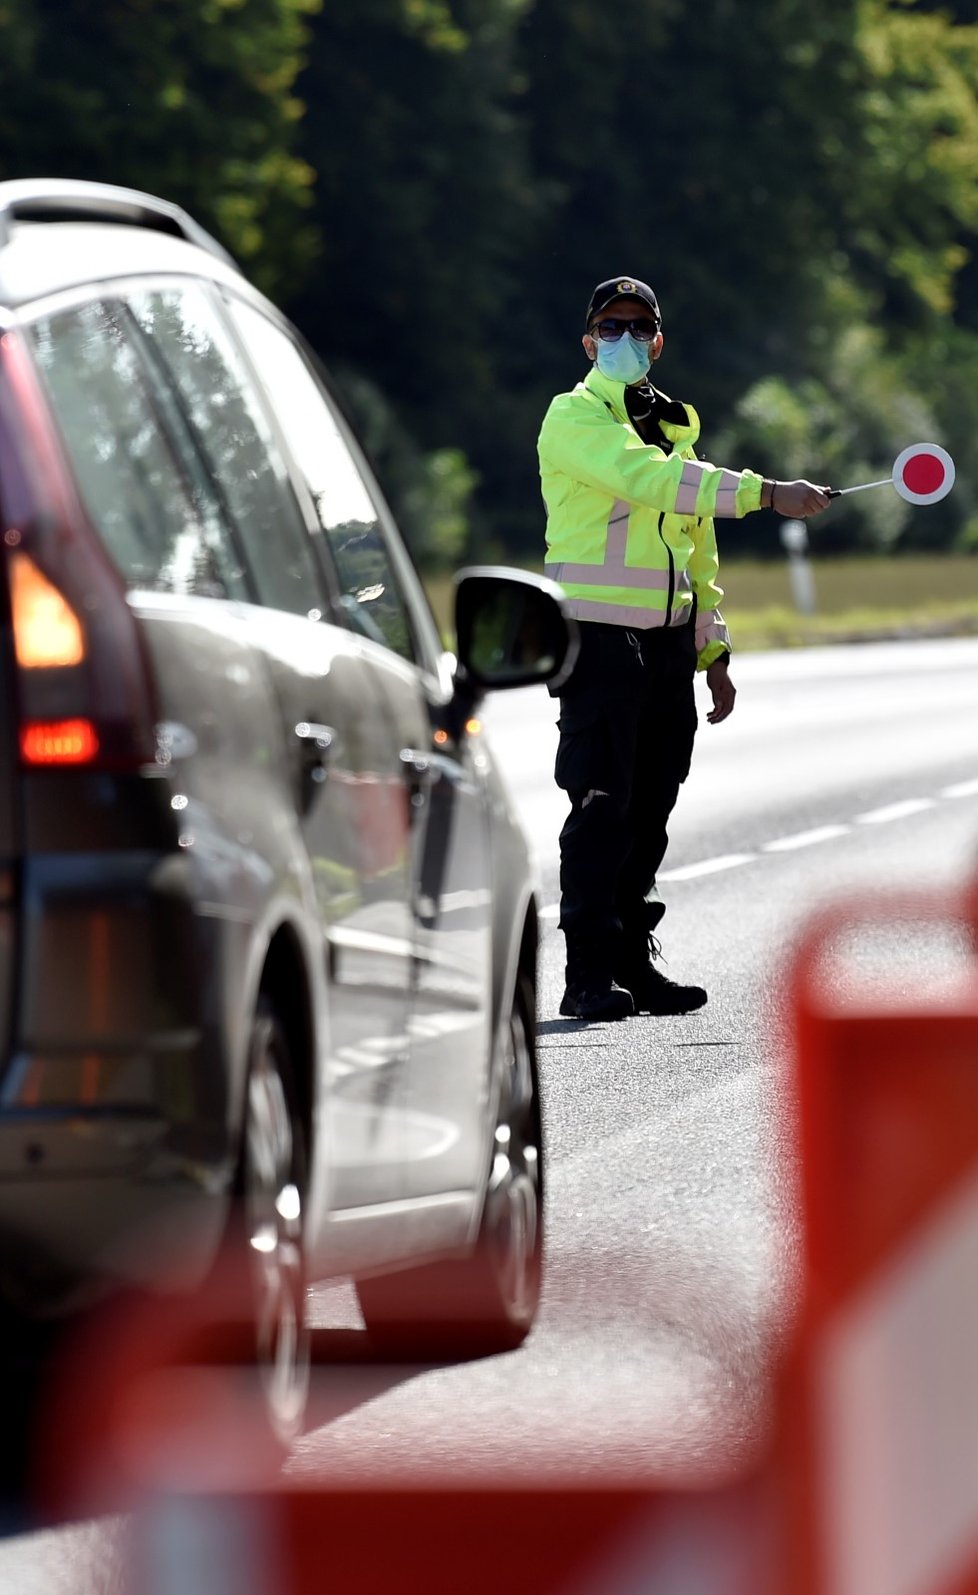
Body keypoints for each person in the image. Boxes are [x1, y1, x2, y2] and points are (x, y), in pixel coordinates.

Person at [538, 276, 831, 1021]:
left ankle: (634, 962)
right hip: (600, 643)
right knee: (602, 809)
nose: (625, 338)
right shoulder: (573, 417)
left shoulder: (672, 425)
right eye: (611, 326)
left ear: (658, 341)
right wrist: (768, 493)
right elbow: (654, 484)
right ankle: (589, 972)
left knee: (651, 812)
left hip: (667, 647)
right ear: (588, 340)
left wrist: (714, 650)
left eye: (640, 326)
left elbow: (695, 553)